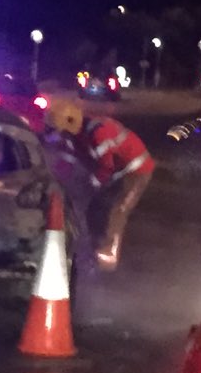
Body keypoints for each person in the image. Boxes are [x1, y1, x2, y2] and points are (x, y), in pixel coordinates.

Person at [45, 99, 153, 271]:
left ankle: (107, 258)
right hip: (115, 172)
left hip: (136, 170)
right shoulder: (72, 134)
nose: (57, 135)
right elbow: (67, 161)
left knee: (119, 210)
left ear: (68, 124)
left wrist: (92, 185)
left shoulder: (98, 133)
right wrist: (54, 181)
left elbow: (106, 167)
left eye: (58, 131)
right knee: (94, 209)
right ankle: (96, 247)